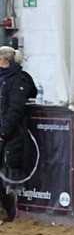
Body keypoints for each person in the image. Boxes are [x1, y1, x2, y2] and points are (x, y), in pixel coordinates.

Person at [0, 46, 36, 222]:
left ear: (3, 61)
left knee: (11, 173)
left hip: (9, 133)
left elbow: (15, 109)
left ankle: (10, 208)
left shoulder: (19, 80)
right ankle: (8, 207)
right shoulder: (7, 79)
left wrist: (3, 132)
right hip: (5, 131)